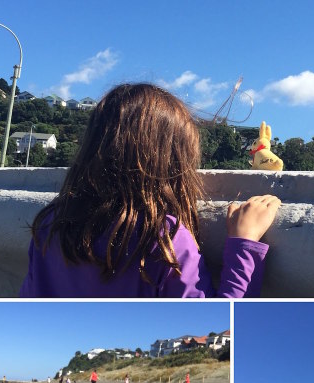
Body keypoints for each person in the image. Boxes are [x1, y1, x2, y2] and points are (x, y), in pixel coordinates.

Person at [19, 83, 281, 298]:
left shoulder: (50, 226)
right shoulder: (163, 238)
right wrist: (244, 244)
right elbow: (224, 319)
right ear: (173, 164)